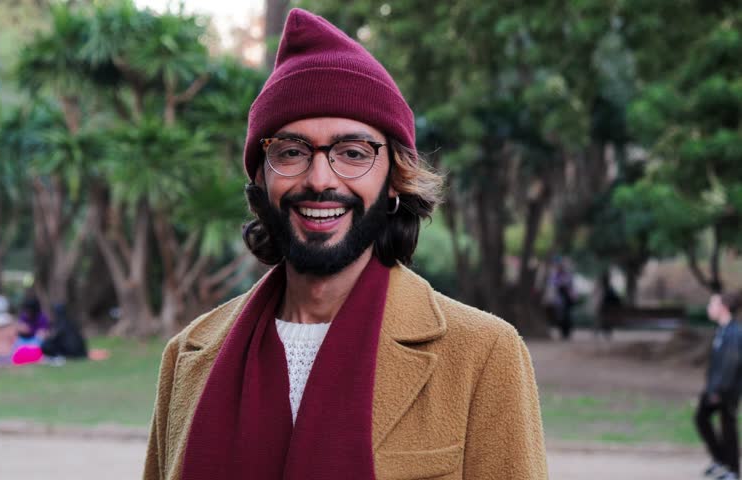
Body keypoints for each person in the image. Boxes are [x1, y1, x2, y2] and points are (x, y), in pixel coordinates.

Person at [143, 9, 547, 480]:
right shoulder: (188, 355)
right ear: (260, 175)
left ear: (395, 178)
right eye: (291, 152)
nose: (320, 180)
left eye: (353, 154)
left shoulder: (483, 353)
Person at [696, 290, 742, 480]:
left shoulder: (733, 332)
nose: (709, 308)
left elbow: (730, 365)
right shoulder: (723, 330)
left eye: (712, 304)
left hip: (726, 391)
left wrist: (717, 391)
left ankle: (732, 469)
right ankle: (722, 461)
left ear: (723, 308)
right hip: (717, 389)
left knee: (727, 426)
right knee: (703, 419)